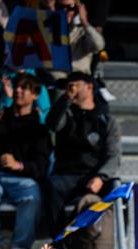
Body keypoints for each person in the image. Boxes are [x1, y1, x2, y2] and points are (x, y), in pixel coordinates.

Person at [0, 72, 50, 249]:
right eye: (16, 87)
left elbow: (41, 165)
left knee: (32, 195)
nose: (18, 91)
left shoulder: (38, 129)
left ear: (35, 95)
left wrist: (19, 165)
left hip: (24, 179)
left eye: (24, 88)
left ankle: (20, 245)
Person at [46, 71, 121, 233]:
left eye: (75, 85)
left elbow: (113, 155)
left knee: (117, 190)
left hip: (93, 176)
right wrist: (66, 98)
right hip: (66, 175)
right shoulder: (66, 113)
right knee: (51, 187)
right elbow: (53, 124)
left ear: (89, 87)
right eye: (68, 85)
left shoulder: (106, 120)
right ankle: (58, 241)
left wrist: (101, 177)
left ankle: (111, 239)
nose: (71, 88)